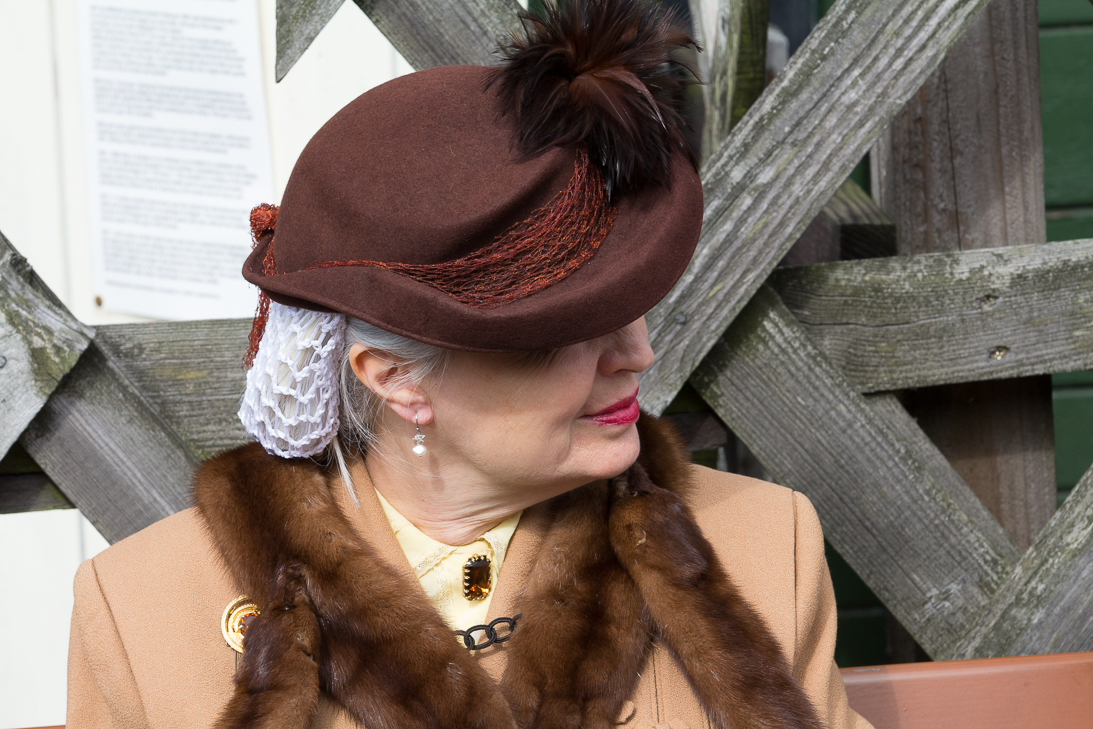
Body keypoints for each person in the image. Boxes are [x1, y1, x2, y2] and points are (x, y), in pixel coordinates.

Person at [67, 1, 872, 728]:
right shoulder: (142, 614)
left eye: (626, 307)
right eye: (564, 333)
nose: (638, 353)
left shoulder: (761, 544)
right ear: (394, 377)